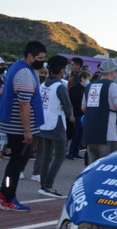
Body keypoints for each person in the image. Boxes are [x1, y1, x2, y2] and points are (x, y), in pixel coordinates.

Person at [0, 41, 46, 211]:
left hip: (14, 125)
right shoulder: (25, 73)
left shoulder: (15, 67)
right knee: (17, 164)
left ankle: (4, 193)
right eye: (40, 58)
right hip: (19, 128)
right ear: (30, 56)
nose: (41, 61)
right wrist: (27, 131)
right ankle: (8, 198)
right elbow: (24, 104)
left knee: (14, 163)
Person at [38, 55, 73, 198]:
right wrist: (68, 112)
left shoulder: (43, 85)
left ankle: (43, 185)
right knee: (59, 155)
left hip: (44, 122)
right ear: (62, 70)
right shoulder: (59, 86)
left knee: (46, 155)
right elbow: (68, 107)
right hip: (57, 123)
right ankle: (48, 186)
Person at [81, 60, 117, 164]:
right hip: (108, 134)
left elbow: (83, 107)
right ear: (113, 73)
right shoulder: (113, 85)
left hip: (90, 133)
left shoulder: (90, 86)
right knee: (107, 167)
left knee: (93, 167)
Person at [66, 70, 91, 160]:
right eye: (88, 78)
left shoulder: (86, 88)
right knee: (75, 134)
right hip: (76, 114)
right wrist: (71, 115)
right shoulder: (75, 89)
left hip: (83, 114)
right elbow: (70, 103)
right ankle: (70, 152)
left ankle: (76, 151)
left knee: (80, 135)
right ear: (82, 78)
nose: (89, 81)